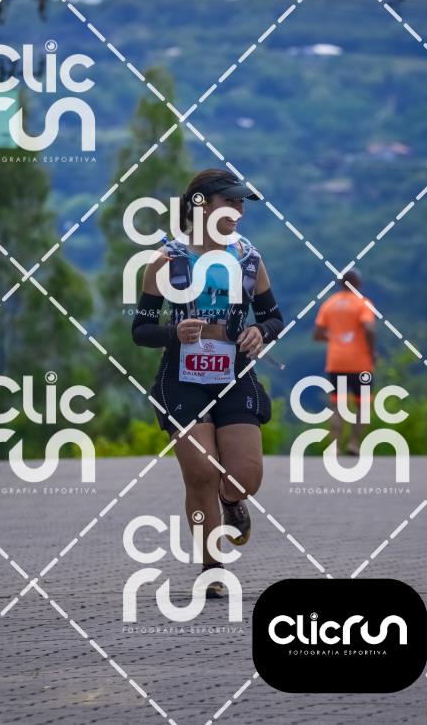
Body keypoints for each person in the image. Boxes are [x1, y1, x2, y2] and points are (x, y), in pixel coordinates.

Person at [131, 169, 283, 598]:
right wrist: (173, 333)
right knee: (200, 474)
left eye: (241, 204)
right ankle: (212, 567)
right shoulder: (167, 261)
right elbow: (141, 330)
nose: (238, 211)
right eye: (230, 202)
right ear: (200, 205)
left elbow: (274, 318)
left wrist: (260, 331)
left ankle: (233, 501)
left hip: (234, 375)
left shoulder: (249, 259)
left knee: (244, 477)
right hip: (182, 378)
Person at [312, 269, 375, 455]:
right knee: (363, 406)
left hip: (336, 362)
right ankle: (354, 444)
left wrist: (335, 339)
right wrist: (372, 352)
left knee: (337, 406)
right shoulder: (363, 304)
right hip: (360, 363)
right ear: (358, 284)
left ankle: (335, 447)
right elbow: (369, 329)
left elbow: (317, 334)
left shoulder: (329, 304)